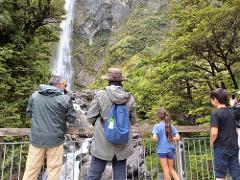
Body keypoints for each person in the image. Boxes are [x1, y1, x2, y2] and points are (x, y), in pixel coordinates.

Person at [86, 68, 137, 180]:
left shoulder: (101, 94)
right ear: (121, 81)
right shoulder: (129, 97)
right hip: (122, 143)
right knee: (120, 176)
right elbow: (133, 120)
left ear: (108, 80)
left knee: (94, 175)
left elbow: (90, 117)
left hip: (102, 142)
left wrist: (102, 125)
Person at [22, 75, 76, 180]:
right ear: (60, 84)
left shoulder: (35, 96)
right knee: (54, 171)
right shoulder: (65, 99)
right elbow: (71, 119)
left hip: (37, 138)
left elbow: (29, 113)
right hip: (55, 140)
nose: (66, 87)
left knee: (31, 170)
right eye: (65, 85)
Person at [210, 88, 240, 180]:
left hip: (221, 148)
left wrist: (211, 142)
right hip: (233, 147)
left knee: (220, 175)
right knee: (236, 175)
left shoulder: (215, 114)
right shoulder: (232, 112)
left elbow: (214, 132)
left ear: (215, 99)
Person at [152, 108, 180, 180]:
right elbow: (178, 137)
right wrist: (170, 138)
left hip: (162, 151)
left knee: (165, 169)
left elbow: (154, 138)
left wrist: (158, 139)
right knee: (171, 169)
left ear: (158, 116)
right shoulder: (171, 126)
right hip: (170, 150)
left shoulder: (157, 126)